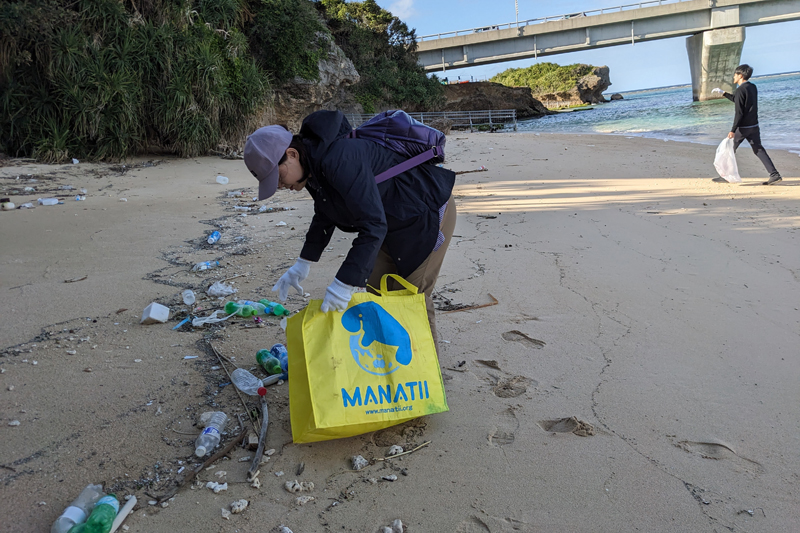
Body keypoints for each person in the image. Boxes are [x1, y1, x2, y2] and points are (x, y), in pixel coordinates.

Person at [243, 110, 456, 353]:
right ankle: (390, 366)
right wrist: (303, 262)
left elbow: (373, 226)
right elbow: (324, 213)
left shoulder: (339, 159)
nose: (281, 186)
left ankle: (425, 380)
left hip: (426, 211)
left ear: (291, 154)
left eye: (278, 177)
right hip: (390, 217)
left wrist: (343, 283)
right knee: (376, 294)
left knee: (410, 298)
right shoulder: (312, 168)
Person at [711, 64, 782, 185]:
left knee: (729, 149)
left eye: (735, 74)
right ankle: (774, 174)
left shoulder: (740, 90)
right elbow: (738, 100)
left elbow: (739, 112)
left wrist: (733, 130)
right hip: (754, 126)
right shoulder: (752, 87)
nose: (733, 76)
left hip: (743, 128)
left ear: (740, 75)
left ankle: (726, 176)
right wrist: (723, 93)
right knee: (758, 149)